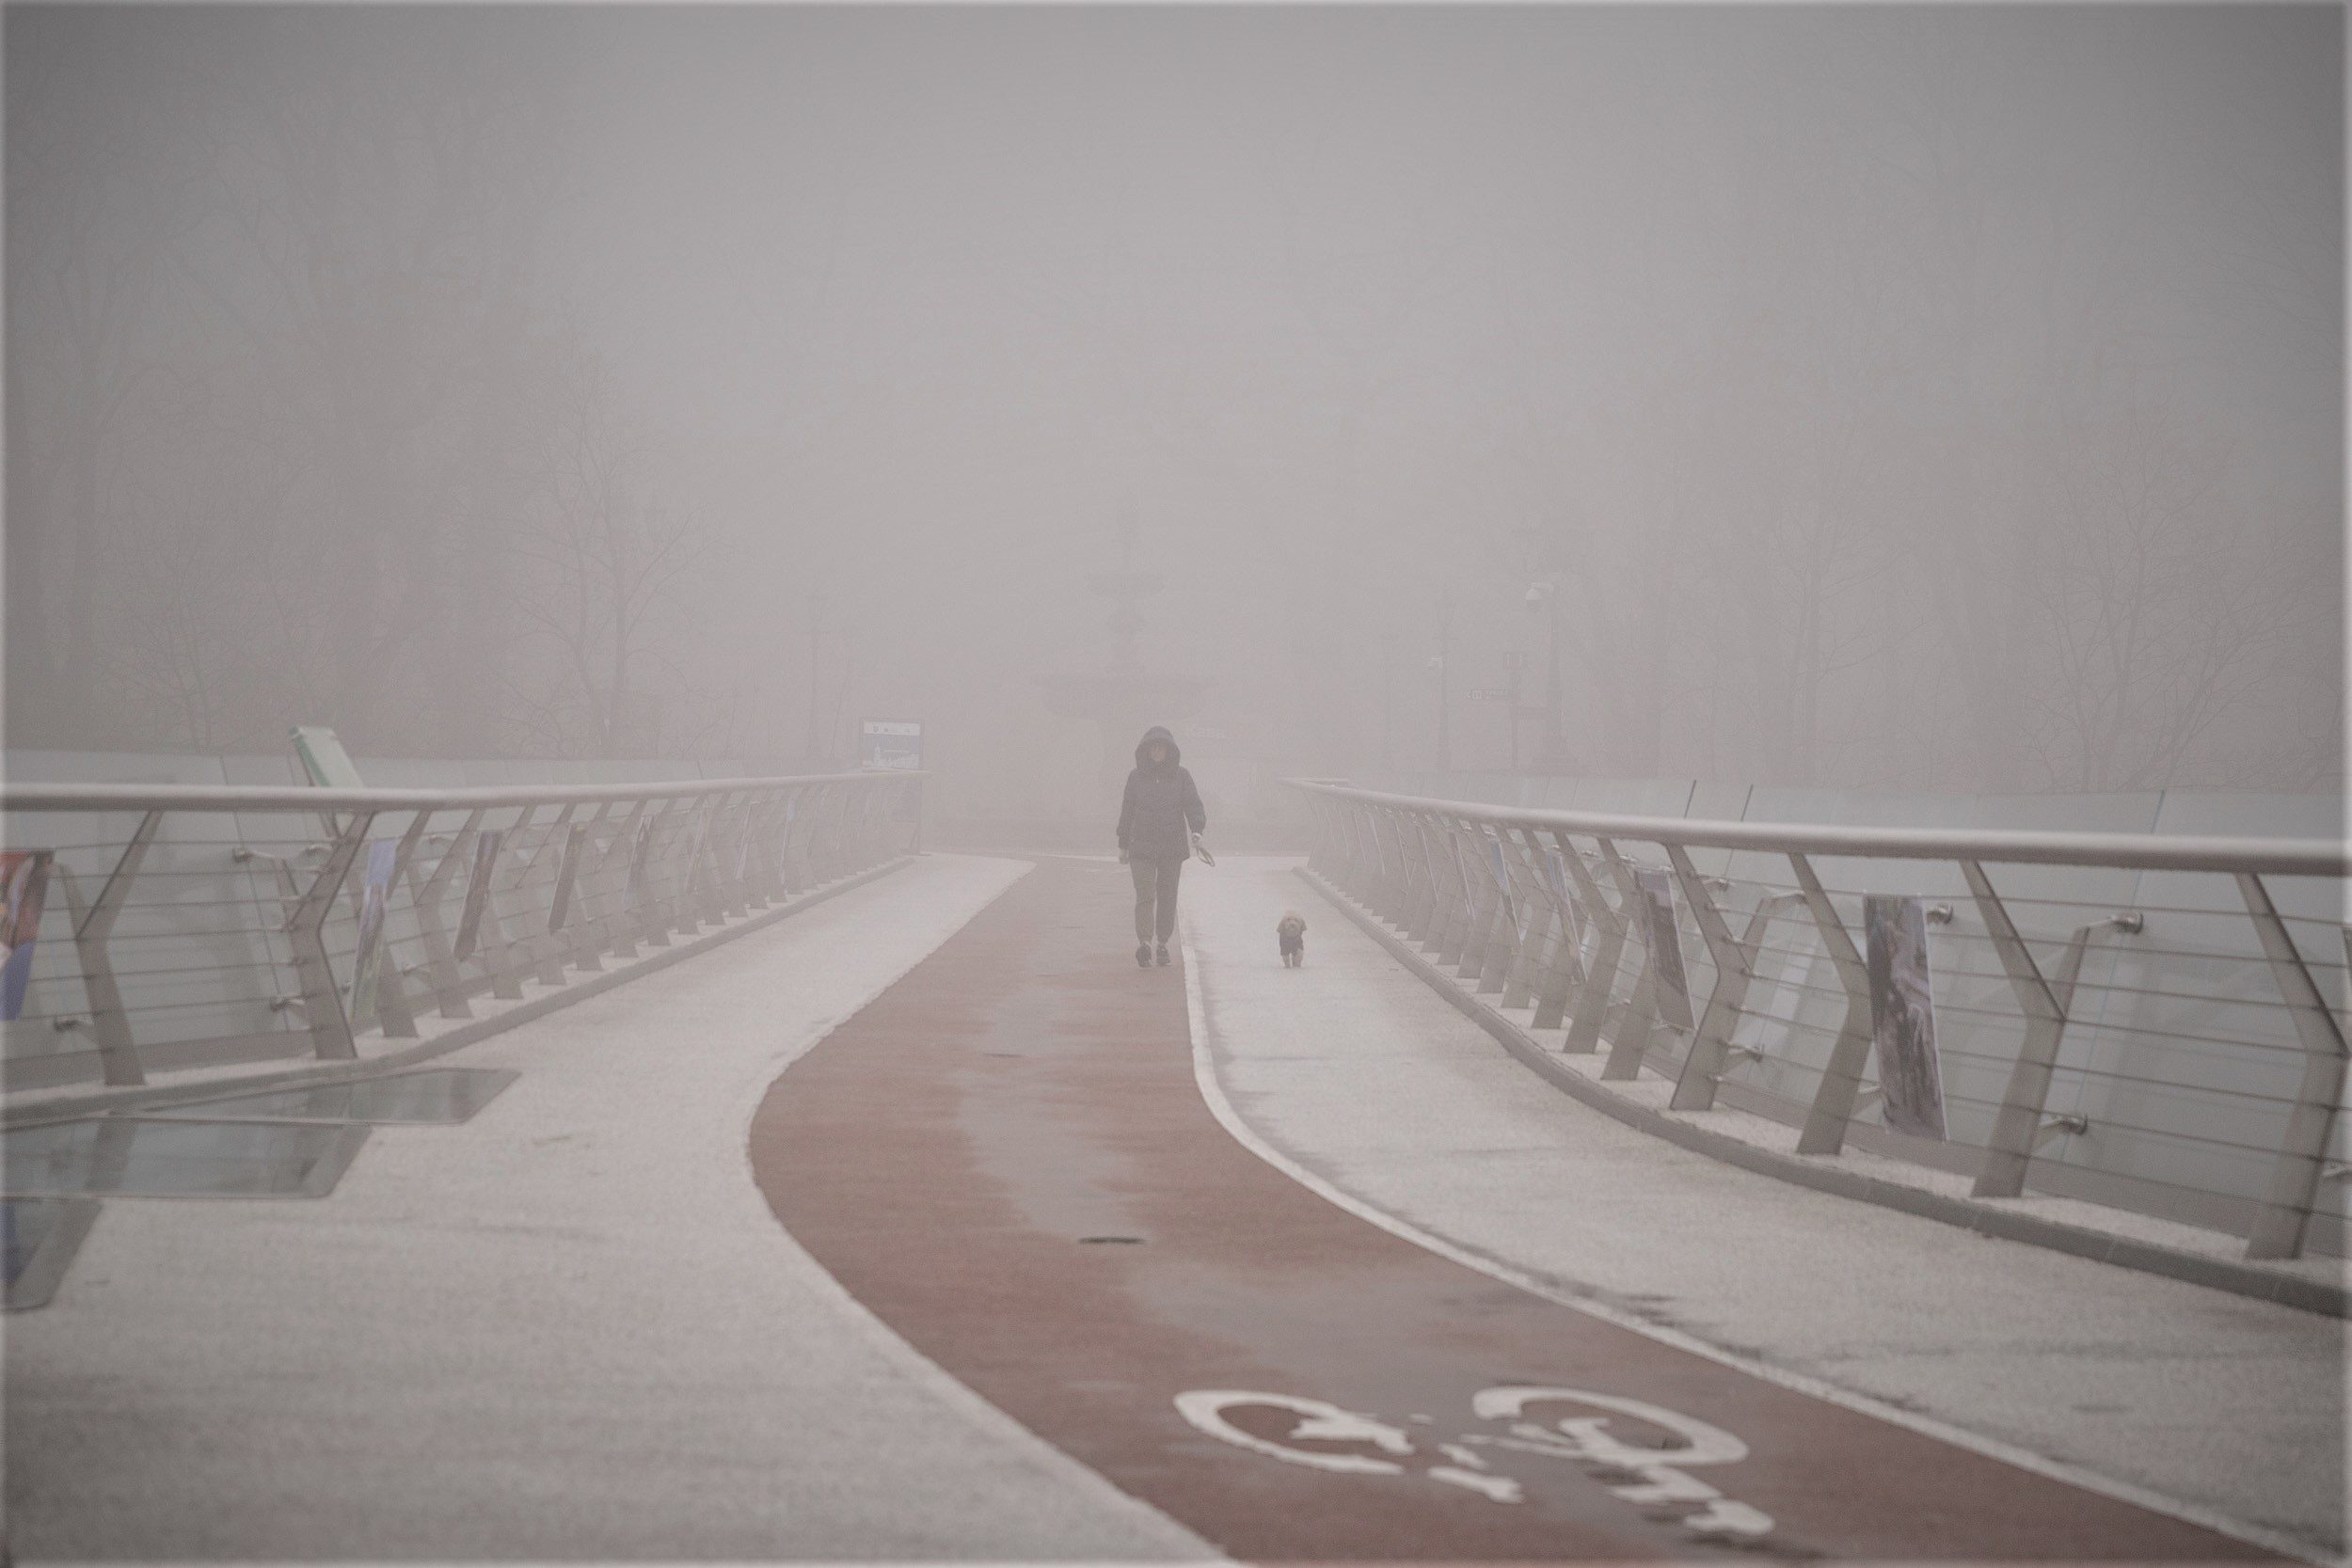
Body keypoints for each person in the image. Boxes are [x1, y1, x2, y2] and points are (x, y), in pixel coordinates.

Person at [1116, 725, 1205, 968]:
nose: (1157, 751)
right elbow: (1127, 812)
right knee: (1145, 895)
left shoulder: (1182, 776)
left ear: (1169, 751)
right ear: (1146, 751)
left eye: (1161, 747)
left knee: (1167, 896)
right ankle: (1145, 943)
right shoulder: (1135, 777)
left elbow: (1193, 804)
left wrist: (1196, 830)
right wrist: (1123, 844)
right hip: (1141, 848)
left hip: (1171, 847)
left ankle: (1163, 943)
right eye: (1153, 747)